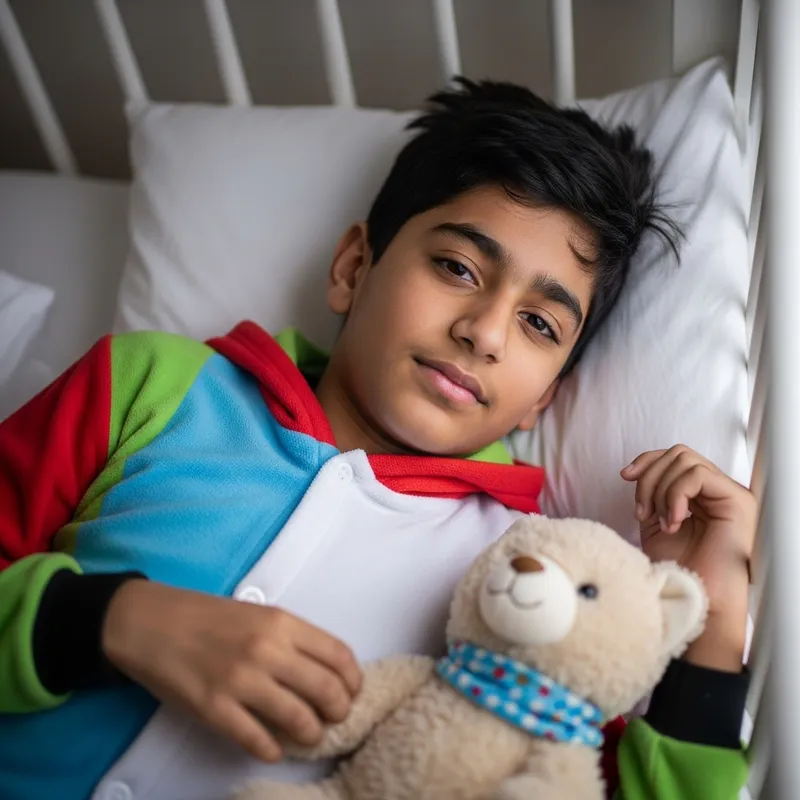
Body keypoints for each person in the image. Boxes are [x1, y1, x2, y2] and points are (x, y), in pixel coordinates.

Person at [0, 79, 753, 800]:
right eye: (458, 267)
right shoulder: (152, 383)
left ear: (545, 398)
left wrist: (715, 626)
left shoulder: (529, 572)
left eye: (539, 324)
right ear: (354, 266)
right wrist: (106, 620)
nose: (484, 331)